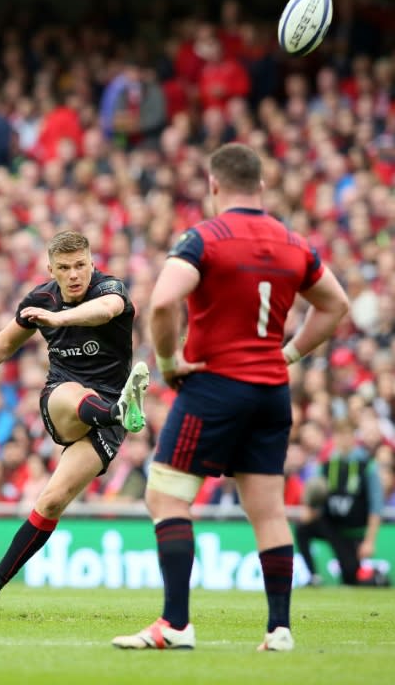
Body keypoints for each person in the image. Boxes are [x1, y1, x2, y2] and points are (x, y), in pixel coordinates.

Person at [112, 142, 349, 652]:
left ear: (214, 186)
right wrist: (290, 354)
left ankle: (175, 625)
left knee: (166, 494)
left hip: (215, 386)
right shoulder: (294, 242)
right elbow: (335, 304)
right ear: (261, 187)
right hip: (271, 392)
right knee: (267, 509)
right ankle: (279, 629)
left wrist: (171, 363)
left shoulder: (205, 238)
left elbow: (163, 301)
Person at [0, 230, 149, 615]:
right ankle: (119, 411)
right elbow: (5, 343)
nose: (75, 274)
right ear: (51, 270)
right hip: (64, 402)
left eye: (81, 265)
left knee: (52, 500)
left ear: (92, 263)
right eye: (64, 268)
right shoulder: (40, 299)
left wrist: (59, 318)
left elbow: (105, 310)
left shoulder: (110, 288)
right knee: (70, 392)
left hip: (108, 416)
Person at [295, 418, 388, 587]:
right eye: (339, 435)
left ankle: (376, 576)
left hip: (354, 532)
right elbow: (314, 494)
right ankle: (313, 577)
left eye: (346, 434)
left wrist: (369, 541)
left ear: (353, 437)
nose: (343, 439)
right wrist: (310, 507)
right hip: (332, 527)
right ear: (334, 437)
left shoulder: (367, 466)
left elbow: (376, 506)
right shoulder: (326, 464)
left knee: (351, 576)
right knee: (302, 528)